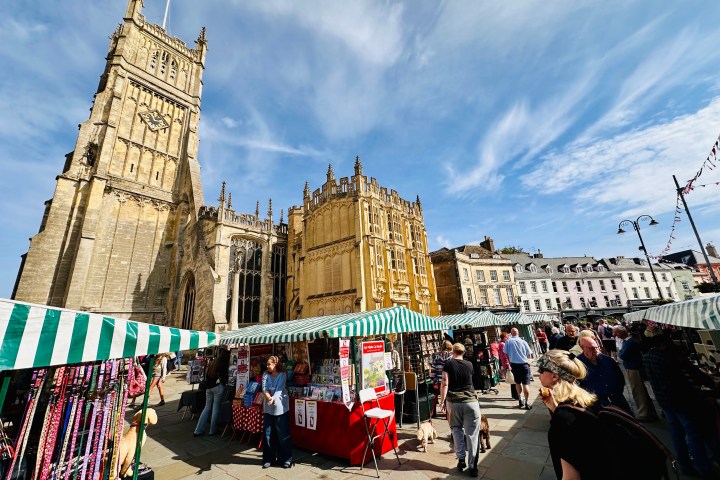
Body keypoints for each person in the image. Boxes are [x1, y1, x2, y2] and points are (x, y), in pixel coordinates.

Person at [643, 327, 720, 479]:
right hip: (682, 402)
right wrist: (710, 385)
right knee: (693, 434)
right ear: (664, 344)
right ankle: (704, 469)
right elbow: (690, 375)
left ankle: (685, 464)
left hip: (665, 401)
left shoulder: (647, 356)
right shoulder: (670, 358)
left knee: (677, 433)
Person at [537, 350, 601, 480]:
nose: (538, 374)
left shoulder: (563, 418)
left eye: (541, 370)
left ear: (554, 376)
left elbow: (571, 476)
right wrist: (554, 407)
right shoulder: (586, 400)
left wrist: (558, 414)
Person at [439, 343, 482, 477]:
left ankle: (461, 459)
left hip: (455, 402)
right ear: (463, 352)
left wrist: (442, 400)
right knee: (472, 434)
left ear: (452, 351)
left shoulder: (448, 364)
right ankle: (473, 466)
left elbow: (445, 382)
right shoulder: (469, 364)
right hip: (471, 402)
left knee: (456, 429)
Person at [576, 337, 633, 414]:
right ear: (582, 348)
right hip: (595, 405)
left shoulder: (608, 360)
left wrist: (618, 392)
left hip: (617, 400)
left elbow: (620, 378)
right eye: (591, 349)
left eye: (597, 347)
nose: (596, 351)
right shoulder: (577, 364)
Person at [616, 326, 657, 422]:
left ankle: (644, 413)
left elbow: (622, 355)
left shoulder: (629, 342)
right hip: (632, 367)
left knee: (638, 391)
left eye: (616, 333)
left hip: (633, 368)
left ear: (622, 333)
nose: (614, 335)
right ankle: (649, 412)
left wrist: (620, 352)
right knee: (639, 390)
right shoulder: (628, 341)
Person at [262, 355, 292, 469]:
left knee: (282, 434)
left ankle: (285, 459)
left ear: (275, 364)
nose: (267, 366)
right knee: (268, 434)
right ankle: (268, 458)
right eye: (267, 364)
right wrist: (269, 397)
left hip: (281, 407)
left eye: (269, 364)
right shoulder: (265, 374)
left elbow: (279, 389)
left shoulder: (282, 375)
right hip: (268, 408)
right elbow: (264, 388)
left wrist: (272, 398)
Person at [194, 348, 231, 437]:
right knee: (215, 408)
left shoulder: (213, 363)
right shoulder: (223, 364)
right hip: (217, 387)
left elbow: (207, 376)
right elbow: (224, 377)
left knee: (207, 408)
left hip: (209, 387)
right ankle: (212, 430)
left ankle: (198, 430)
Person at [504, 328, 534, 410]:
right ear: (518, 333)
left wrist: (509, 362)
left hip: (514, 364)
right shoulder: (523, 342)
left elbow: (505, 354)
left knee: (517, 382)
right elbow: (529, 354)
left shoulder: (508, 341)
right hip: (524, 364)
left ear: (511, 333)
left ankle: (520, 399)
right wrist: (528, 362)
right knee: (525, 384)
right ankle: (527, 402)